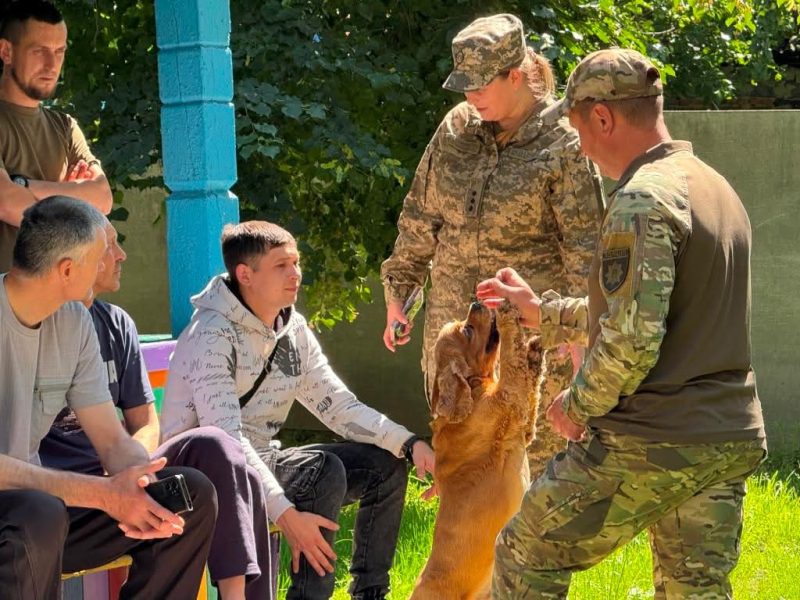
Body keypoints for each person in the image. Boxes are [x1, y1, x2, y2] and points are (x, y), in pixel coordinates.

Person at [476, 48, 767, 599]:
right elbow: (656, 310)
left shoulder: (641, 200)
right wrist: (545, 314)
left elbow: (631, 340)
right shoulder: (713, 188)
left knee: (524, 553)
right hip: (726, 435)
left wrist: (575, 406)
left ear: (603, 118)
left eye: (580, 129)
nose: (582, 148)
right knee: (696, 590)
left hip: (651, 438)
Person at [161, 220, 436, 600]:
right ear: (245, 274)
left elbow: (338, 406)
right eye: (281, 265)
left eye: (296, 262)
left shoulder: (293, 331)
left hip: (261, 462)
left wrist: (408, 443)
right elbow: (227, 443)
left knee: (384, 466)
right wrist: (287, 517)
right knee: (321, 472)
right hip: (207, 476)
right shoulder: (211, 334)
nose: (296, 274)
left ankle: (370, 594)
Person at [380, 13, 603, 476]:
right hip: (456, 352)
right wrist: (399, 292)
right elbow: (421, 216)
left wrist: (581, 345)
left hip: (528, 353)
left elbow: (587, 251)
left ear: (516, 76)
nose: (470, 96)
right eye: (464, 85)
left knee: (530, 488)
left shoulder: (563, 142)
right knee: (461, 480)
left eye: (481, 85)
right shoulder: (456, 128)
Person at [39, 218, 273, 600]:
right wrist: (105, 488)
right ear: (77, 260)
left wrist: (129, 471)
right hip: (60, 502)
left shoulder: (115, 323)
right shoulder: (29, 328)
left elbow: (145, 421)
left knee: (216, 447)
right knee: (193, 493)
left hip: (121, 477)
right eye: (110, 245)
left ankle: (237, 596)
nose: (121, 255)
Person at [0, 196, 217, 599]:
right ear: (67, 270)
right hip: (23, 518)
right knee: (39, 513)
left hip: (41, 515)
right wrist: (105, 495)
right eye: (100, 256)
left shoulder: (76, 322)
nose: (112, 262)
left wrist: (139, 486)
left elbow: (112, 440)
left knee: (190, 495)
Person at [0, 0, 112, 272]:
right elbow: (7, 203)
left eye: (59, 52)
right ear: (6, 51)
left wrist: (23, 184)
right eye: (39, 51)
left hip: (61, 302)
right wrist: (74, 199)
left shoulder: (65, 127)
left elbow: (103, 197)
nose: (52, 65)